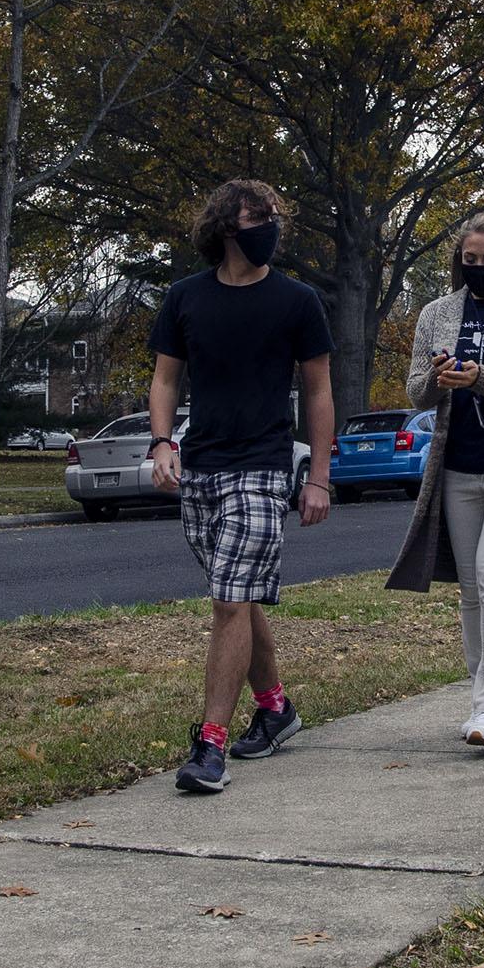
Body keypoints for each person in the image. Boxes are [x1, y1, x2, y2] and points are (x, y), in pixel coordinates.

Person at [148, 180, 336, 795]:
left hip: (263, 466)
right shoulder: (184, 298)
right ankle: (276, 707)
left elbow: (318, 392)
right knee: (239, 593)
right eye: (260, 217)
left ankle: (209, 746)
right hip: (200, 467)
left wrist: (319, 477)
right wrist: (161, 442)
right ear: (227, 224)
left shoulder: (298, 301)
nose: (271, 227)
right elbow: (167, 381)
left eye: (276, 217)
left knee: (229, 601)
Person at [385, 213, 484, 750]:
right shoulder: (436, 313)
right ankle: (482, 702)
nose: (477, 268)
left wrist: (482, 379)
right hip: (454, 466)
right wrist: (437, 376)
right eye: (468, 260)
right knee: (473, 590)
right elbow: (415, 394)